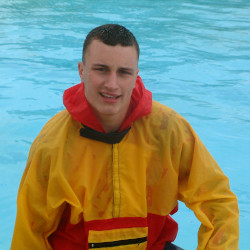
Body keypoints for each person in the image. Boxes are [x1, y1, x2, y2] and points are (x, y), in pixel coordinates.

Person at [11, 24, 239, 250]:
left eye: (123, 72)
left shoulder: (168, 129)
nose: (112, 84)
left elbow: (218, 201)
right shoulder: (52, 143)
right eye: (101, 69)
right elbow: (29, 232)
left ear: (136, 75)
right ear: (81, 70)